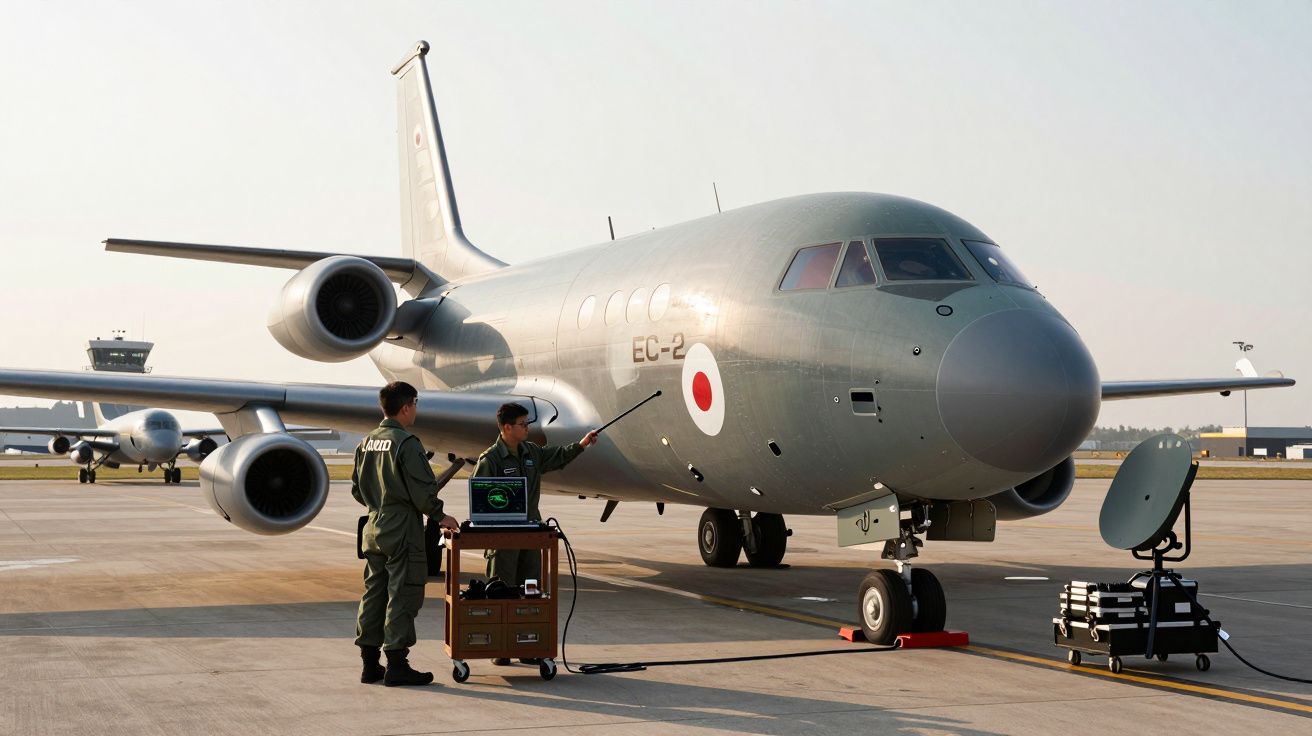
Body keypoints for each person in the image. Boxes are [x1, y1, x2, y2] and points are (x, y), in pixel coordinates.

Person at [352, 381, 464, 686]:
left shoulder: (366, 443)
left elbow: (357, 490)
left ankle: (369, 665)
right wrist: (441, 516)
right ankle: (398, 664)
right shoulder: (406, 443)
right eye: (415, 403)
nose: (416, 409)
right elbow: (422, 490)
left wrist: (381, 502)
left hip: (374, 526)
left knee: (374, 593)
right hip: (402, 529)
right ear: (406, 407)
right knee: (403, 594)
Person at [474, 402, 596, 666]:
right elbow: (480, 502)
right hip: (502, 540)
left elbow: (558, 456)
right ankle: (501, 648)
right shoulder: (490, 459)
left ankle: (526, 645)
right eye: (522, 423)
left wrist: (582, 444)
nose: (527, 427)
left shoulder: (531, 453)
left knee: (530, 593)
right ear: (507, 427)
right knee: (500, 593)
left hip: (530, 536)